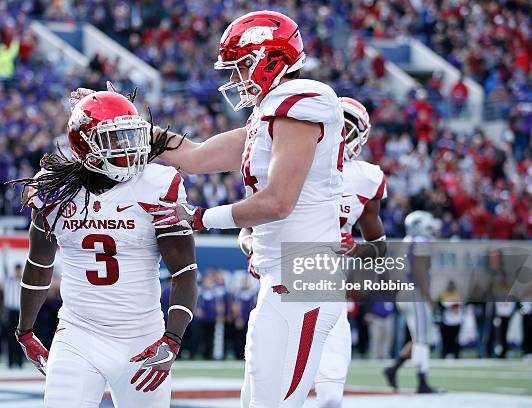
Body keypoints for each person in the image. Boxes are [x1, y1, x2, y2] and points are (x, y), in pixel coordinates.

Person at [71, 11, 347, 406]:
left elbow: (278, 201)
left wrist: (202, 218)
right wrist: (120, 120)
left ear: (269, 58)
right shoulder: (266, 115)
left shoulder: (302, 100)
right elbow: (195, 157)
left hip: (306, 274)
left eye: (241, 67)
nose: (235, 79)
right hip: (283, 277)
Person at [7, 91, 198, 408]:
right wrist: (25, 331)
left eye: (131, 136)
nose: (129, 148)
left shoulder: (157, 184)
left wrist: (172, 339)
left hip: (142, 336)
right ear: (86, 145)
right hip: (78, 334)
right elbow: (39, 264)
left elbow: (185, 273)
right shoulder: (53, 190)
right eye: (115, 139)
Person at [239, 96, 387, 408]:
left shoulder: (366, 179)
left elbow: (379, 246)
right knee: (260, 389)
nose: (340, 136)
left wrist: (358, 250)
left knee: (331, 396)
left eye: (347, 129)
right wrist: (254, 248)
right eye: (336, 128)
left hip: (328, 292)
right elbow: (247, 229)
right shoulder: (289, 164)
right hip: (281, 284)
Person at [384, 211, 440, 393]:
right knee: (423, 340)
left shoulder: (407, 241)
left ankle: (393, 369)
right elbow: (420, 272)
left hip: (404, 294)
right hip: (415, 294)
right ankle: (422, 382)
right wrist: (429, 298)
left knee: (418, 338)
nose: (431, 230)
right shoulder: (420, 242)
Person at [4, 264, 24, 368]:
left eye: (19, 270)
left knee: (21, 337)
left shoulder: (24, 281)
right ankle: (11, 362)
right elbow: (4, 267)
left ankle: (20, 362)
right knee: (10, 337)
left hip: (21, 312)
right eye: (16, 270)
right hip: (11, 312)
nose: (18, 272)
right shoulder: (9, 281)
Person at [438, 280, 464, 358]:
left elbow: (461, 305)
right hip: (447, 320)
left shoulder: (458, 294)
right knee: (446, 339)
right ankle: (445, 354)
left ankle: (456, 354)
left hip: (456, 320)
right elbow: (441, 304)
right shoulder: (444, 293)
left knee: (455, 339)